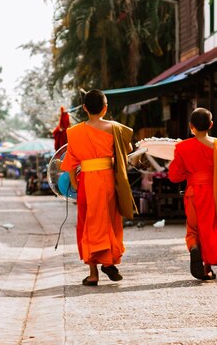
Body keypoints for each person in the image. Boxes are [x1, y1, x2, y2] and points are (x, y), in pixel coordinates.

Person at [61, 89, 136, 286]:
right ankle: (108, 260)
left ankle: (93, 273)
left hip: (86, 181)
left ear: (84, 108)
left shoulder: (75, 132)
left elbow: (70, 163)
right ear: (105, 108)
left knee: (87, 225)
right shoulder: (115, 128)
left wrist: (76, 185)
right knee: (109, 221)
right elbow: (127, 150)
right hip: (109, 181)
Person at [168, 107, 217, 281]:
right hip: (214, 193)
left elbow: (174, 176)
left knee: (193, 229)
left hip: (193, 193)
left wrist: (187, 172)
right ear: (211, 125)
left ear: (191, 126)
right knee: (210, 229)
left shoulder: (182, 147)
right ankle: (206, 268)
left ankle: (193, 248)